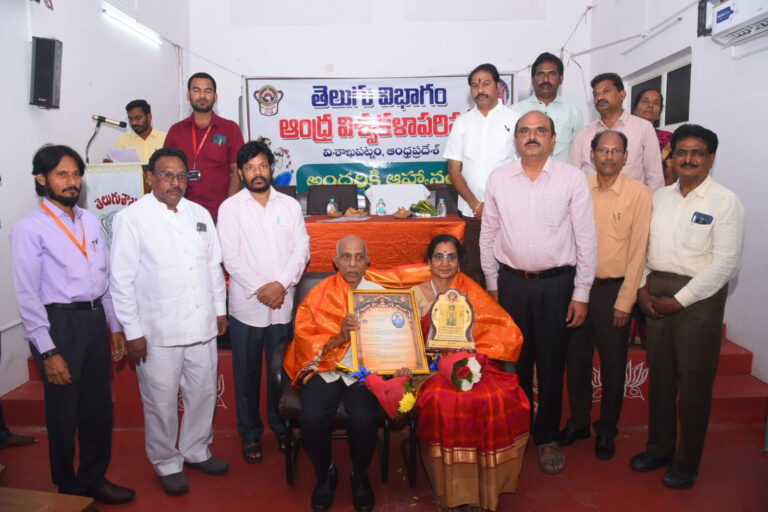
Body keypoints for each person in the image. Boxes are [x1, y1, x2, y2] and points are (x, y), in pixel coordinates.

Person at [9, 144, 135, 505]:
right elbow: (28, 294)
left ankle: (95, 478)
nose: (72, 181)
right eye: (62, 174)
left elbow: (103, 279)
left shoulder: (90, 221)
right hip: (58, 324)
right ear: (41, 179)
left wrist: (114, 327)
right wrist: (47, 351)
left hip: (94, 320)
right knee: (64, 414)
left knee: (98, 408)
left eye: (76, 174)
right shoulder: (28, 229)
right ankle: (69, 490)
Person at [480, 111, 597, 474]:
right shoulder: (499, 178)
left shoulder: (572, 179)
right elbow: (488, 233)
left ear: (553, 138)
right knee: (513, 364)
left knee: (551, 363)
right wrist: (492, 284)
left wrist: (581, 292)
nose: (532, 137)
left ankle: (546, 436)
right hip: (511, 284)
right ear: (515, 139)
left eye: (540, 131)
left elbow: (586, 239)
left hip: (557, 286)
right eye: (525, 131)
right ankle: (516, 433)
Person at [630, 124, 745, 489]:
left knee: (694, 384)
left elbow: (726, 265)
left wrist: (679, 301)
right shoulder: (660, 197)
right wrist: (642, 289)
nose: (688, 159)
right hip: (655, 293)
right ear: (672, 158)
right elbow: (645, 247)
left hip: (698, 300)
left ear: (711, 158)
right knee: (661, 380)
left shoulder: (725, 202)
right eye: (681, 152)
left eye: (697, 153)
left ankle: (686, 462)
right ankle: (659, 449)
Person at [109, 147, 229, 496]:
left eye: (182, 176)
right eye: (167, 175)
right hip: (156, 332)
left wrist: (219, 310)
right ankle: (166, 462)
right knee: (160, 403)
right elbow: (121, 280)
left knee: (203, 393)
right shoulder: (132, 218)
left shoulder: (200, 213)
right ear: (150, 177)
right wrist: (132, 332)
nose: (176, 182)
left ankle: (196, 449)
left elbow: (213, 266)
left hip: (202, 326)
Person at [410, 234, 529, 512]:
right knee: (444, 401)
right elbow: (409, 340)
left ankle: (484, 490)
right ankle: (452, 493)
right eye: (439, 256)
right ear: (429, 262)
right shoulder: (415, 295)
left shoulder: (470, 290)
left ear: (460, 262)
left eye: (451, 257)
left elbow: (497, 329)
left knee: (493, 398)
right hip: (431, 369)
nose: (445, 263)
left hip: (471, 364)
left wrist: (471, 349)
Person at [560, 131, 651, 460]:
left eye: (616, 151)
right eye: (603, 150)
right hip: (577, 289)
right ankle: (579, 422)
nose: (609, 156)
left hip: (613, 291)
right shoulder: (579, 187)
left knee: (613, 366)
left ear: (626, 156)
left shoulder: (638, 193)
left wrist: (626, 301)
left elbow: (639, 251)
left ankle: (607, 430)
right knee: (576, 361)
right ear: (592, 154)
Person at [217, 140, 310, 463]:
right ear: (241, 173)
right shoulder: (230, 208)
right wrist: (263, 289)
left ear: (272, 168)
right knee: (246, 373)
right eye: (249, 167)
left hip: (282, 304)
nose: (257, 173)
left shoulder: (290, 206)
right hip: (247, 307)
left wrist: (280, 285)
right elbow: (231, 257)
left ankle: (281, 427)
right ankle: (250, 433)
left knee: (280, 371)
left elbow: (302, 250)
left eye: (262, 166)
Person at [283, 235, 382, 512]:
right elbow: (304, 337)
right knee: (312, 418)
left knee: (364, 418)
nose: (353, 263)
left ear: (368, 261)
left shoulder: (380, 295)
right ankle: (325, 472)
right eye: (346, 257)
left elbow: (392, 339)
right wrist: (339, 336)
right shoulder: (320, 293)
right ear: (335, 261)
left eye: (359, 257)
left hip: (361, 370)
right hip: (325, 367)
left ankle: (359, 475)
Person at [443, 63, 520, 287]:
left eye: (486, 84)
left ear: (498, 87)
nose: (480, 90)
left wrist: (495, 205)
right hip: (471, 213)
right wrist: (477, 205)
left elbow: (522, 168)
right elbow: (454, 170)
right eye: (475, 86)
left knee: (507, 272)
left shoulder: (516, 120)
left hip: (507, 212)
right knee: (473, 274)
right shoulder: (462, 123)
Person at [164, 72, 245, 221]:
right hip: (182, 212)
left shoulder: (230, 129)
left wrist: (228, 209)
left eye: (208, 91)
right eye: (196, 90)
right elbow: (165, 172)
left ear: (216, 97)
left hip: (219, 213)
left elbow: (237, 171)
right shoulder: (176, 131)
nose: (202, 96)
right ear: (188, 95)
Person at [569, 73, 664, 192]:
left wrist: (647, 202)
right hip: (591, 201)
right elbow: (572, 175)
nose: (600, 97)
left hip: (631, 201)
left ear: (622, 95)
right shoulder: (585, 133)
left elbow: (655, 176)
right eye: (596, 94)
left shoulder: (643, 128)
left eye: (606, 91)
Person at [511, 52, 583, 161]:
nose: (545, 79)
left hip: (563, 171)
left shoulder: (573, 111)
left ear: (561, 79)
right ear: (532, 79)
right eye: (540, 74)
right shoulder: (515, 111)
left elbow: (578, 152)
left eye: (552, 74)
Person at [632, 89, 675, 186]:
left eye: (656, 103)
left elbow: (671, 175)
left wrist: (659, 194)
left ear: (659, 114)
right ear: (635, 109)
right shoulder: (622, 135)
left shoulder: (668, 139)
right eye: (645, 101)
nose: (650, 105)